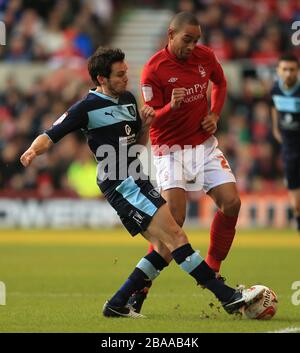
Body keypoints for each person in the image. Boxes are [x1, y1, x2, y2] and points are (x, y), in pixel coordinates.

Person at [20, 46, 263, 318]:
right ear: (101, 78)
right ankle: (227, 296)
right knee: (176, 237)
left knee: (164, 246)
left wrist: (145, 125)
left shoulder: (127, 99)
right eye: (120, 74)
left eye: (126, 72)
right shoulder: (86, 107)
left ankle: (118, 302)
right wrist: (32, 150)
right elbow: (52, 133)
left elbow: (137, 143)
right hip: (121, 182)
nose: (126, 78)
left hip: (136, 177)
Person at [128, 12, 241, 312]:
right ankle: (140, 288)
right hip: (169, 149)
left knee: (231, 203)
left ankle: (212, 267)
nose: (192, 46)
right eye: (187, 40)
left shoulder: (205, 57)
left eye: (196, 40)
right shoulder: (153, 70)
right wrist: (170, 107)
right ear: (171, 34)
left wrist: (215, 114)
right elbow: (149, 117)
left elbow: (221, 83)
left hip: (202, 145)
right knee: (174, 222)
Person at [271, 53, 300, 233]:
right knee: (296, 200)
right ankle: (297, 217)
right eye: (285, 69)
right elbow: (273, 107)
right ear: (278, 71)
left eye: (292, 69)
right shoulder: (275, 89)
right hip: (289, 148)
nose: (288, 73)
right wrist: (275, 129)